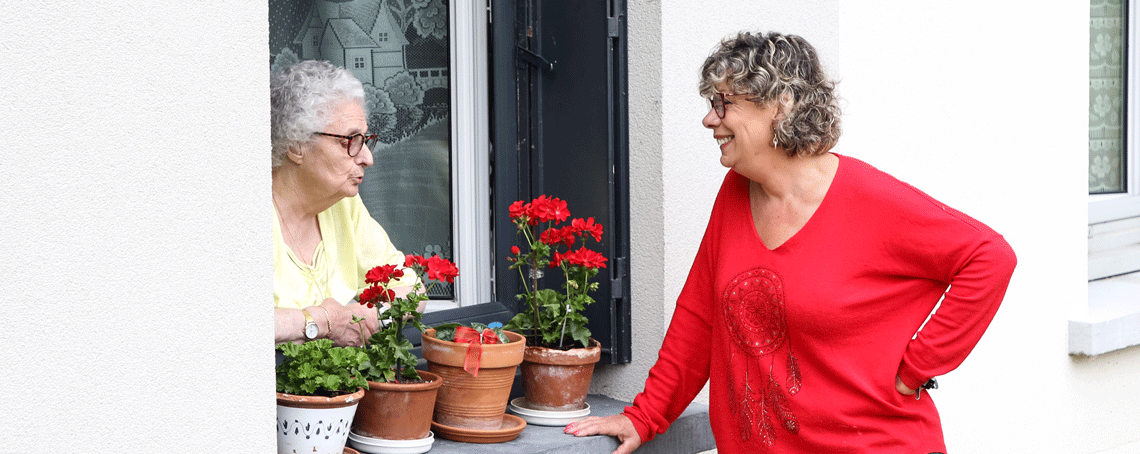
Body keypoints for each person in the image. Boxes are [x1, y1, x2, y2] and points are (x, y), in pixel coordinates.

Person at [566, 32, 1017, 453]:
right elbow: (700, 317)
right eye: (711, 102)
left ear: (780, 105)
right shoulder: (737, 193)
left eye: (724, 103)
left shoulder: (867, 199)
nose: (709, 119)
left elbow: (989, 258)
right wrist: (645, 416)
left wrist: (915, 368)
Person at [272, 60, 416, 347]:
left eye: (365, 140)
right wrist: (319, 322)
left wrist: (363, 319)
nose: (367, 158)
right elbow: (224, 322)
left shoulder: (342, 205)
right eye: (350, 140)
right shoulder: (239, 213)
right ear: (295, 145)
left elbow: (411, 288)